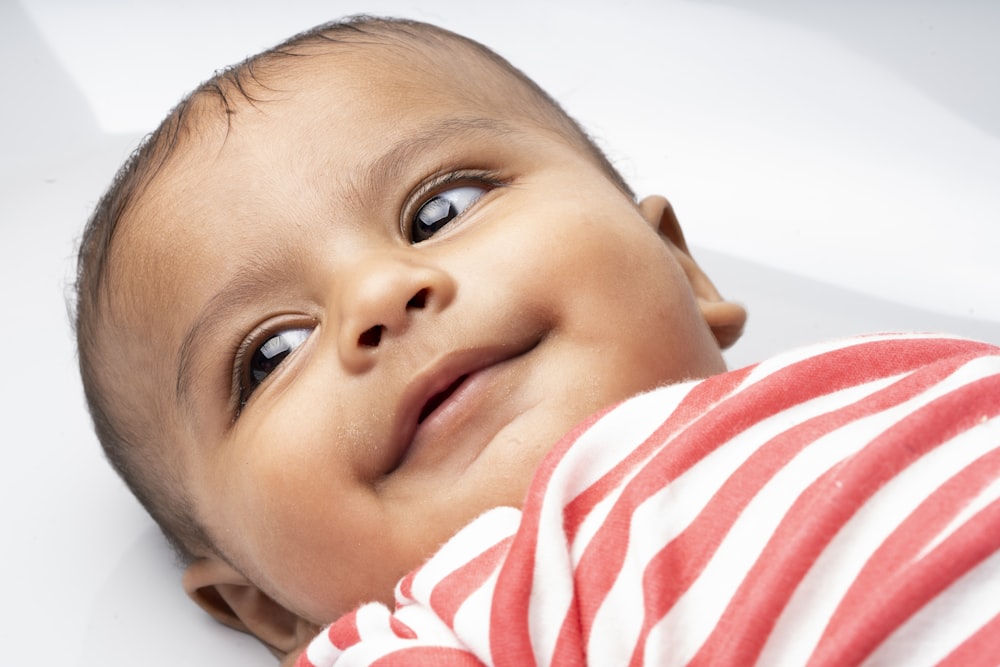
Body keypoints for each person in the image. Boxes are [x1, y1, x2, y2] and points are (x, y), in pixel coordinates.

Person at [72, 15, 999, 666]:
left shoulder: (883, 374)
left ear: (681, 266)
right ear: (264, 602)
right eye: (269, 353)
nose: (380, 295)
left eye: (440, 208)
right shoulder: (465, 618)